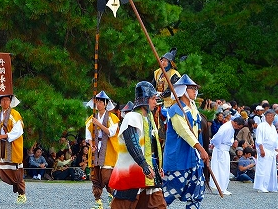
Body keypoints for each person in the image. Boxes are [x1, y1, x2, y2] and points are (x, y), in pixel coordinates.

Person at [109, 81, 166, 209]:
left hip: (151, 173)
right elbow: (132, 144)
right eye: (152, 98)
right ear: (144, 99)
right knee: (124, 205)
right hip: (132, 171)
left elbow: (154, 147)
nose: (155, 102)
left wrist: (158, 166)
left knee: (158, 205)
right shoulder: (131, 118)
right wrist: (144, 165)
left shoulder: (150, 119)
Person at [162, 74, 209, 208]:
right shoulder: (175, 110)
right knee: (168, 194)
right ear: (183, 90)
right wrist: (201, 149)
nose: (195, 92)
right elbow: (185, 133)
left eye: (196, 89)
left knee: (197, 194)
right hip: (179, 159)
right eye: (192, 89)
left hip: (195, 158)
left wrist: (201, 152)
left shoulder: (194, 109)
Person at [85, 90, 120, 209]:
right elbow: (88, 135)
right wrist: (91, 144)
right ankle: (98, 200)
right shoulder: (91, 118)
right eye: (97, 102)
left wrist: (98, 124)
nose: (98, 104)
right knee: (95, 176)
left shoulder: (112, 118)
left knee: (107, 176)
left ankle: (112, 195)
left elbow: (111, 132)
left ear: (105, 104)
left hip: (108, 148)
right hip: (96, 148)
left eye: (100, 102)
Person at [209, 116, 245, 195]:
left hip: (224, 149)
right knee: (221, 169)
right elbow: (218, 137)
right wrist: (214, 144)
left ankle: (222, 187)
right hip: (221, 149)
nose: (238, 128)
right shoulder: (227, 127)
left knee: (224, 169)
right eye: (239, 126)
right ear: (235, 123)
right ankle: (220, 188)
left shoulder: (230, 127)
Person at [253, 109, 278, 193]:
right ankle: (261, 186)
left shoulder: (273, 127)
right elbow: (259, 139)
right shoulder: (261, 126)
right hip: (264, 149)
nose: (271, 117)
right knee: (263, 168)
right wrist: (261, 149)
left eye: (273, 116)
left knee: (271, 169)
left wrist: (276, 150)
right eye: (270, 115)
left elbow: (275, 140)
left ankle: (270, 186)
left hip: (272, 150)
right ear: (266, 116)